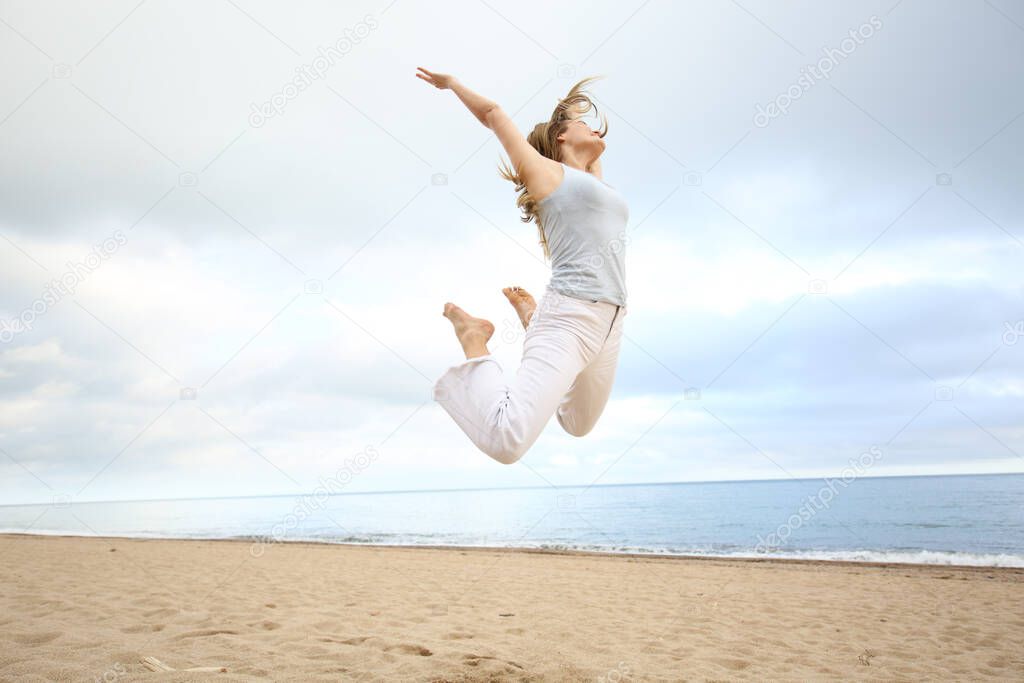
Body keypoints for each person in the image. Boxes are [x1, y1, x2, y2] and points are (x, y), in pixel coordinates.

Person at [416, 67, 628, 465]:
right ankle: (475, 339)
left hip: (613, 321)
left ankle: (532, 320)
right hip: (572, 315)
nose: (596, 130)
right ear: (561, 135)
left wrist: (591, 145)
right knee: (507, 443)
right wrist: (455, 84)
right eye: (584, 123)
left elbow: (594, 165)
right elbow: (494, 114)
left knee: (578, 423)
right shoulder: (547, 175)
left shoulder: (594, 180)